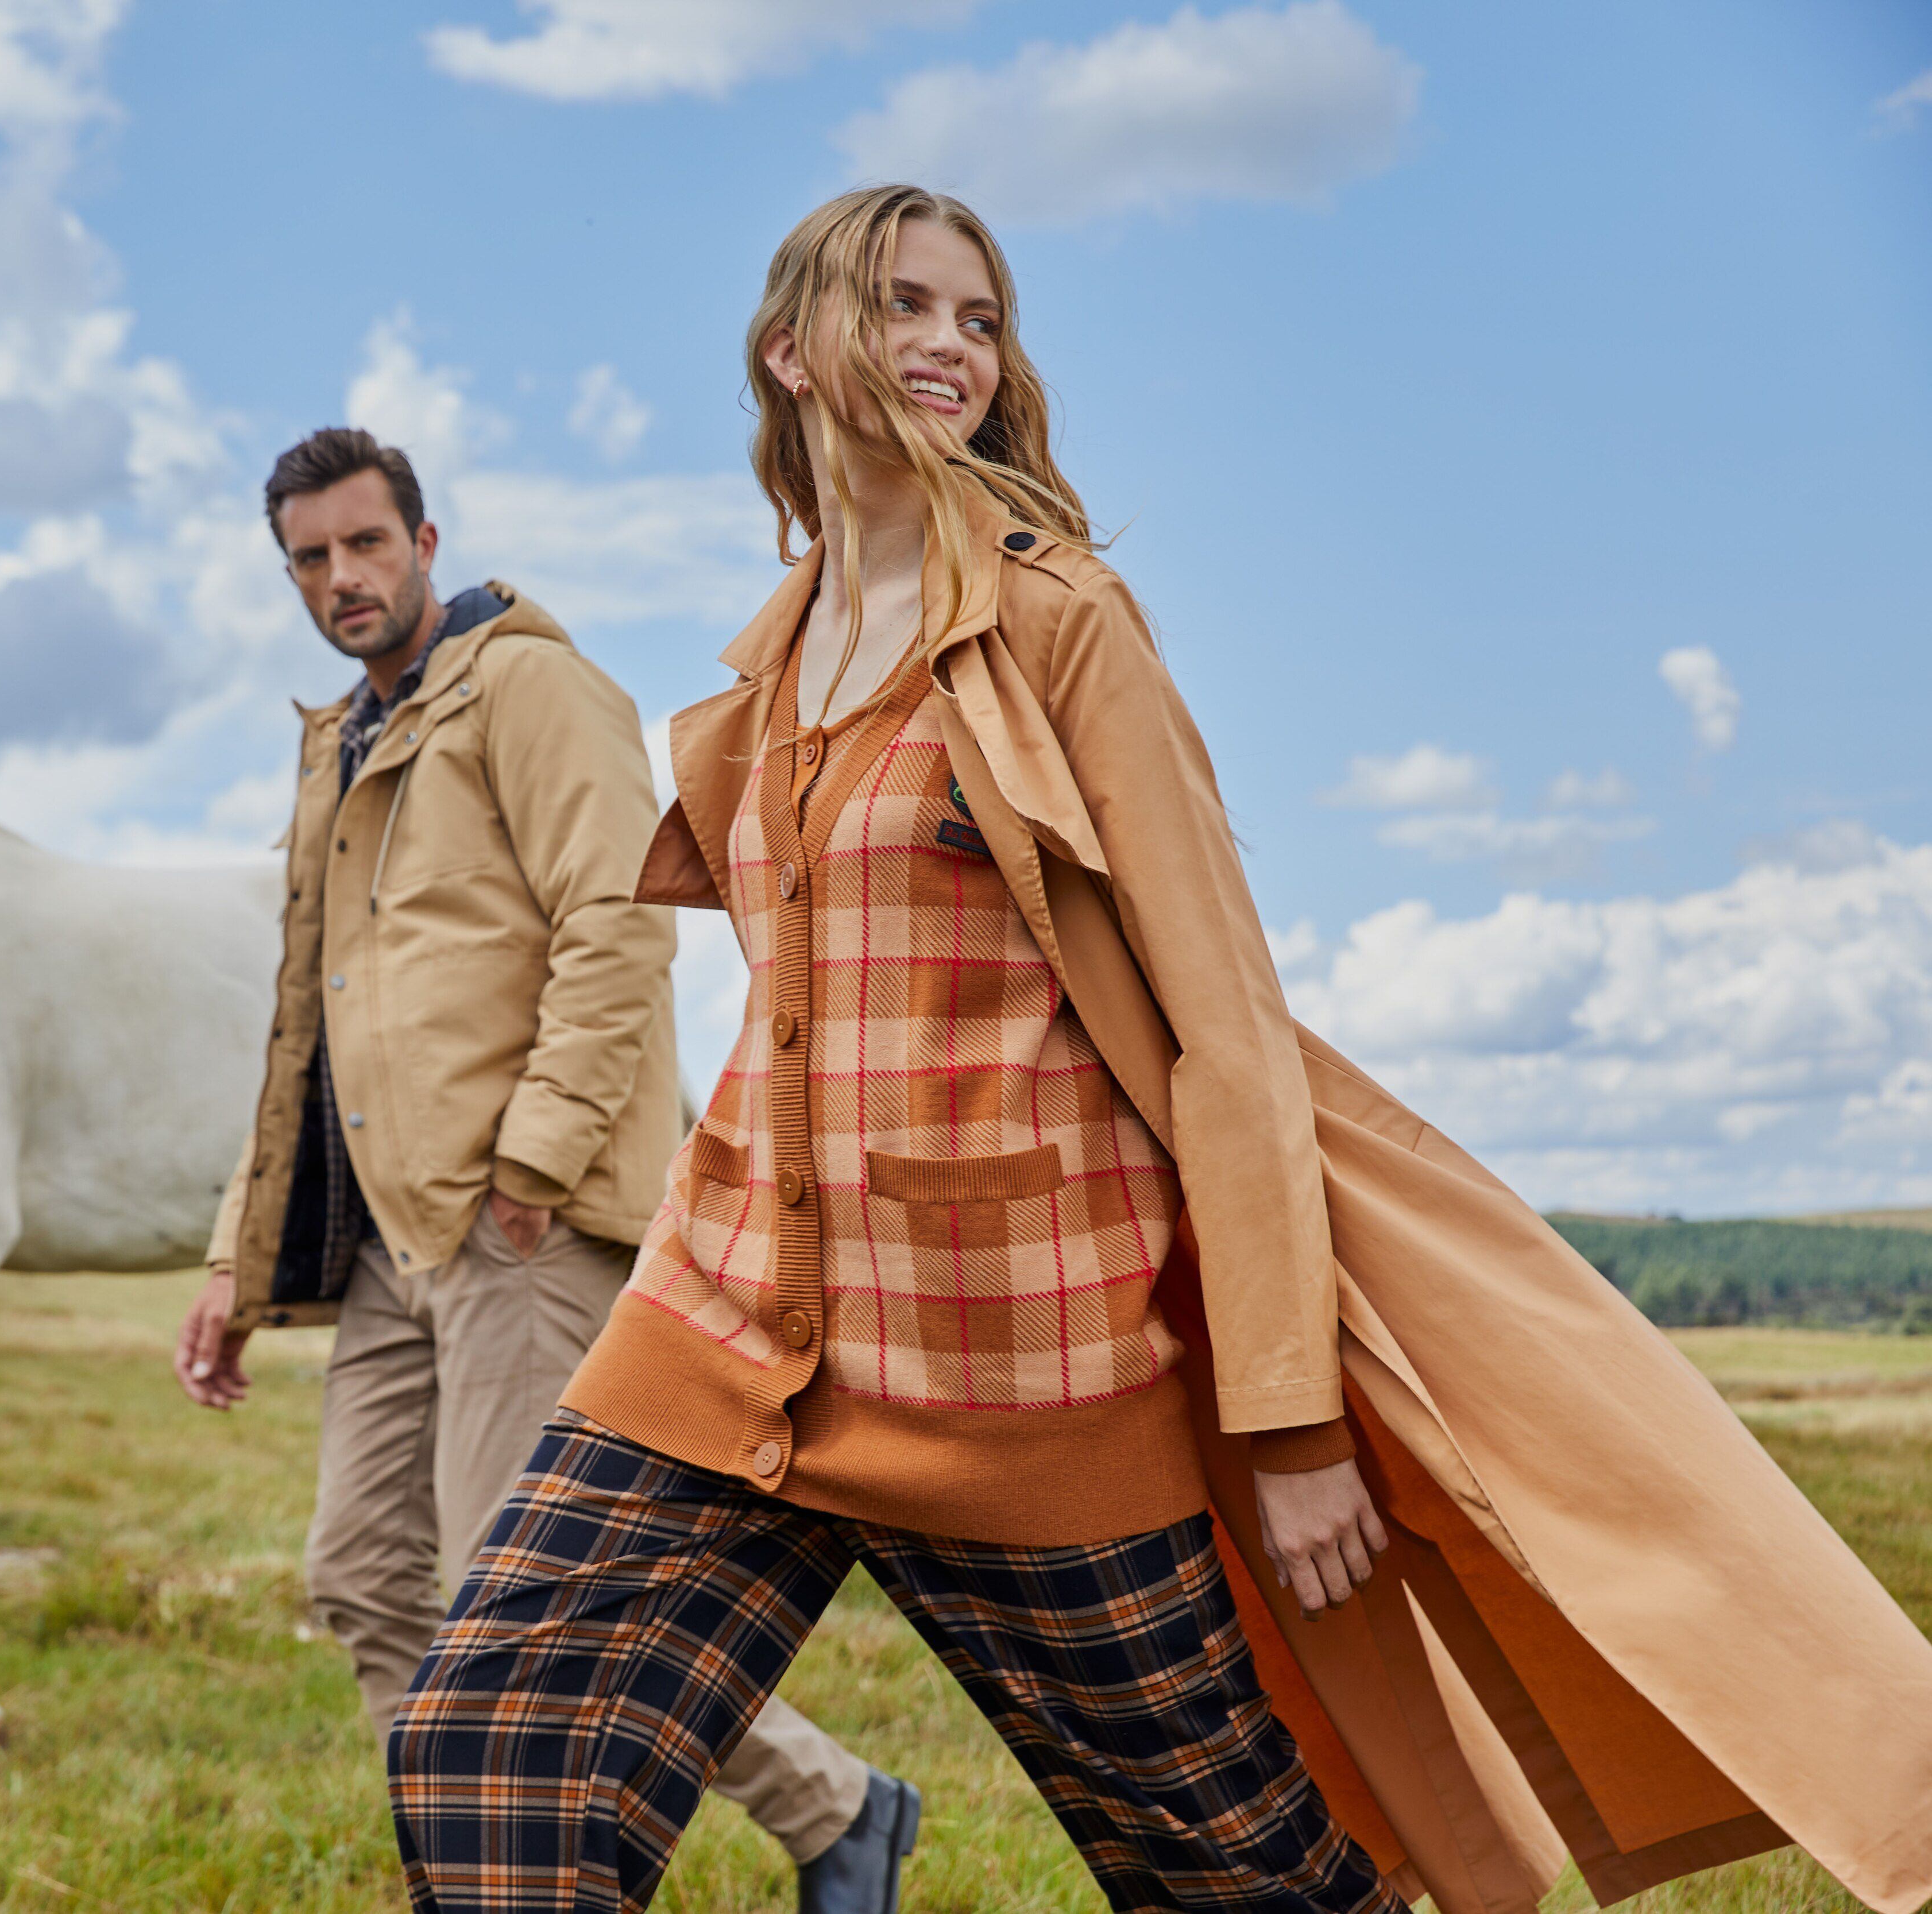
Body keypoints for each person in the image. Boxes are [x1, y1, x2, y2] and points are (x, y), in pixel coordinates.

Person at [387, 184, 1932, 1914]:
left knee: (1243, 1882)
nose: (951, 346)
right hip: (732, 1328)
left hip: (1017, 1370)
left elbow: (1231, 1040)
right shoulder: (765, 673)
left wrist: (1288, 1418)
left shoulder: (1063, 625)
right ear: (790, 348)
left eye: (980, 318)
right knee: (488, 1752)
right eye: (903, 305)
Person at [173, 428, 919, 1911]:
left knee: (518, 1608)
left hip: (520, 1223)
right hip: (392, 1232)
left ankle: (817, 1813)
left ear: (427, 540)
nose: (342, 580)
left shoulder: (529, 686)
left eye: (365, 545)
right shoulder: (339, 738)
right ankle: (513, 1863)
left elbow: (624, 922)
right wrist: (230, 1260)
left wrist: (534, 1165)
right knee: (368, 1578)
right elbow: (303, 1025)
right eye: (311, 560)